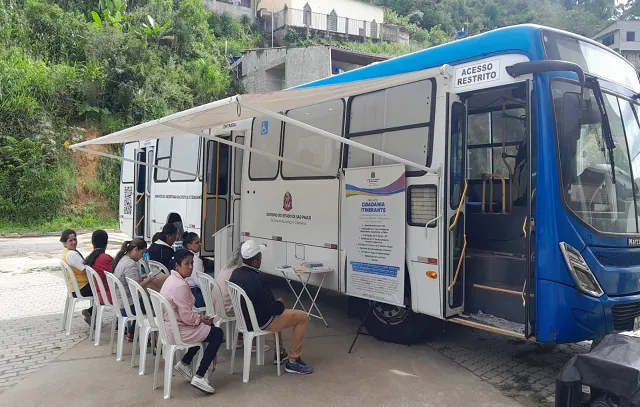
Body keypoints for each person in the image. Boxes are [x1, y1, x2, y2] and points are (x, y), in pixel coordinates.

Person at [230, 240, 312, 374]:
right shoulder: (258, 278)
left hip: (244, 320)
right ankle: (293, 361)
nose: (262, 259)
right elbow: (273, 309)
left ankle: (280, 353)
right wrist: (279, 303)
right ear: (256, 261)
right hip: (261, 321)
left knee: (280, 314)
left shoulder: (236, 273)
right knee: (302, 317)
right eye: (261, 257)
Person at [162, 249, 223, 394]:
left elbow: (185, 313)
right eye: (186, 264)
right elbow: (188, 318)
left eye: (192, 263)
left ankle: (185, 363)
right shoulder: (180, 285)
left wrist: (200, 320)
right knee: (217, 334)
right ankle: (200, 375)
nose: (190, 267)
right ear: (177, 266)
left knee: (206, 329)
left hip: (170, 327)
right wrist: (201, 319)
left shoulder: (171, 279)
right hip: (178, 330)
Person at [112, 238, 162, 341]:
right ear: (135, 249)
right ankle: (153, 337)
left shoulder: (123, 259)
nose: (141, 258)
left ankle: (134, 331)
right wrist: (148, 280)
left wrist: (142, 276)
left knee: (149, 300)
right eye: (142, 253)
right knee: (156, 303)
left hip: (121, 301)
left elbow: (130, 280)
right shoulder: (130, 264)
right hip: (129, 305)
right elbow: (136, 286)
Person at [60, 229, 92, 325]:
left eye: (75, 239)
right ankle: (90, 312)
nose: (74, 242)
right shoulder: (72, 254)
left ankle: (91, 313)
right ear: (64, 243)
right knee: (104, 290)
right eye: (70, 241)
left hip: (74, 288)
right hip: (81, 287)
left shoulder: (66, 253)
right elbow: (87, 270)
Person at [84, 230, 113, 306]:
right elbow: (116, 275)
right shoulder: (105, 259)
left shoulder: (90, 258)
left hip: (98, 294)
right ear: (106, 244)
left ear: (93, 243)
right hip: (109, 296)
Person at [182, 232, 205, 308]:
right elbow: (199, 281)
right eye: (197, 243)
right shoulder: (195, 260)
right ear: (189, 246)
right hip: (194, 293)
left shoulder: (180, 256)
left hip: (183, 290)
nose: (200, 244)